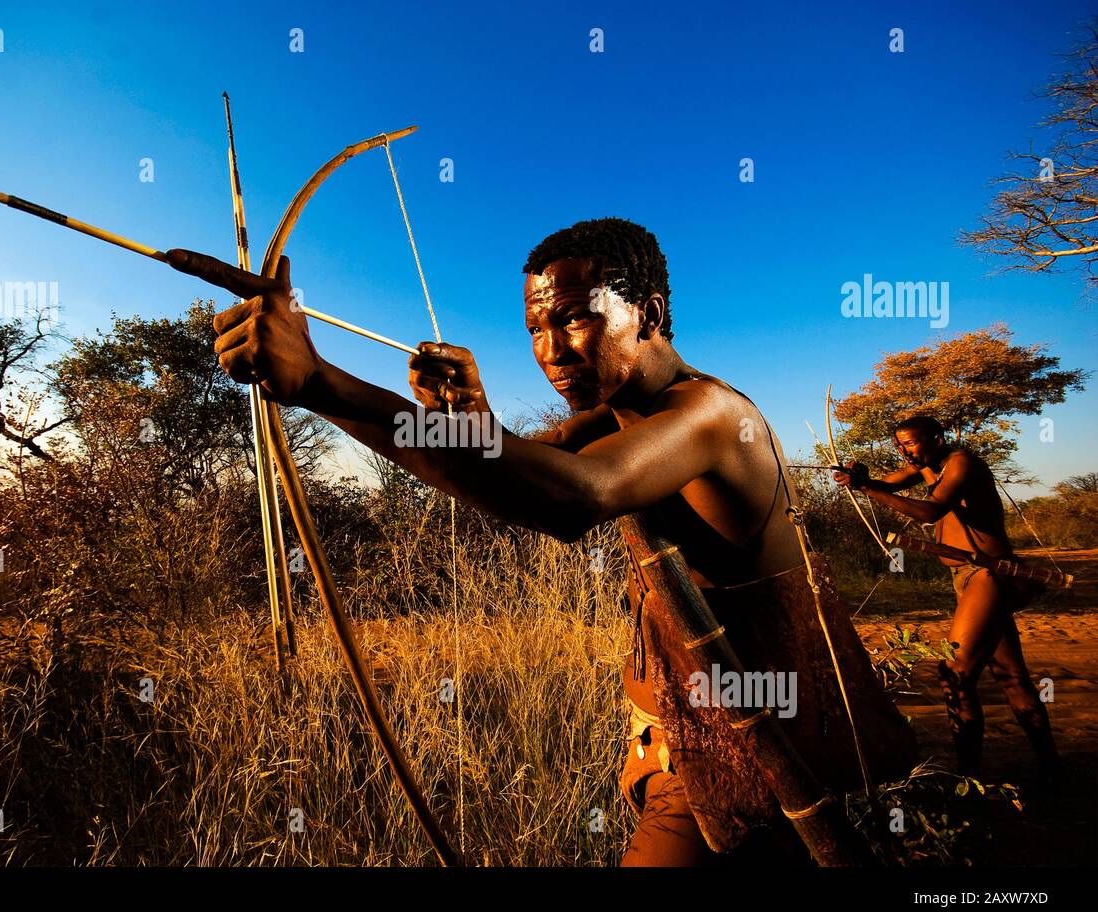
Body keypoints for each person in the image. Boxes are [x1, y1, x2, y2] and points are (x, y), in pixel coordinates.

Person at [211, 216, 914, 865]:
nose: (552, 350)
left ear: (652, 315)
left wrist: (322, 383)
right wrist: (473, 418)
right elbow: (515, 466)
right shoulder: (616, 418)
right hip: (687, 742)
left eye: (577, 318)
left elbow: (574, 498)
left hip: (750, 747)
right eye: (535, 329)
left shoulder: (709, 414)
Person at [834, 416, 1060, 780]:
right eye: (899, 444)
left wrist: (868, 489)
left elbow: (930, 511)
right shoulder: (927, 467)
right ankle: (1052, 771)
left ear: (937, 439)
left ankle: (968, 777)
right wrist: (859, 479)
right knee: (1012, 677)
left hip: (989, 574)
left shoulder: (960, 463)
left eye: (909, 443)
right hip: (968, 577)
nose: (903, 450)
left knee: (955, 675)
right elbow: (886, 482)